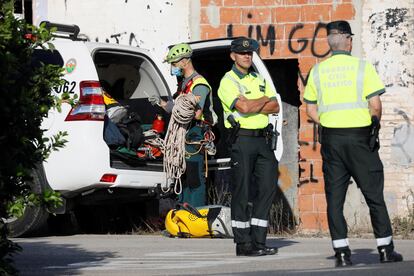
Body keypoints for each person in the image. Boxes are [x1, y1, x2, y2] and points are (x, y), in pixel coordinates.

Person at [304, 20, 403, 267]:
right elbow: (376, 105)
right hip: (360, 139)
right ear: (348, 40)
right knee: (373, 195)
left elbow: (311, 108)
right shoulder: (362, 67)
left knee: (334, 199)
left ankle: (341, 253)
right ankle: (384, 249)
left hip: (332, 140)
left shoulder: (318, 70)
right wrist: (374, 124)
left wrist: (326, 122)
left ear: (329, 42)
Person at [217, 37, 280, 256]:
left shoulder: (258, 77)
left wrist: (258, 102)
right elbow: (242, 107)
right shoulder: (228, 81)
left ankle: (259, 242)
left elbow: (276, 106)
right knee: (242, 191)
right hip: (241, 139)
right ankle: (243, 244)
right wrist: (262, 101)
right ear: (233, 55)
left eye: (250, 53)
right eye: (243, 53)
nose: (247, 56)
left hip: (262, 140)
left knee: (267, 188)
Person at [148, 43, 217, 207]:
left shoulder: (199, 84)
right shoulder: (184, 83)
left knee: (194, 179)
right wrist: (162, 103)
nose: (172, 68)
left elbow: (194, 113)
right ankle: (183, 216)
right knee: (183, 177)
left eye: (174, 63)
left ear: (185, 62)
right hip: (184, 135)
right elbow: (178, 108)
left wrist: (176, 107)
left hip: (194, 135)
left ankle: (196, 216)